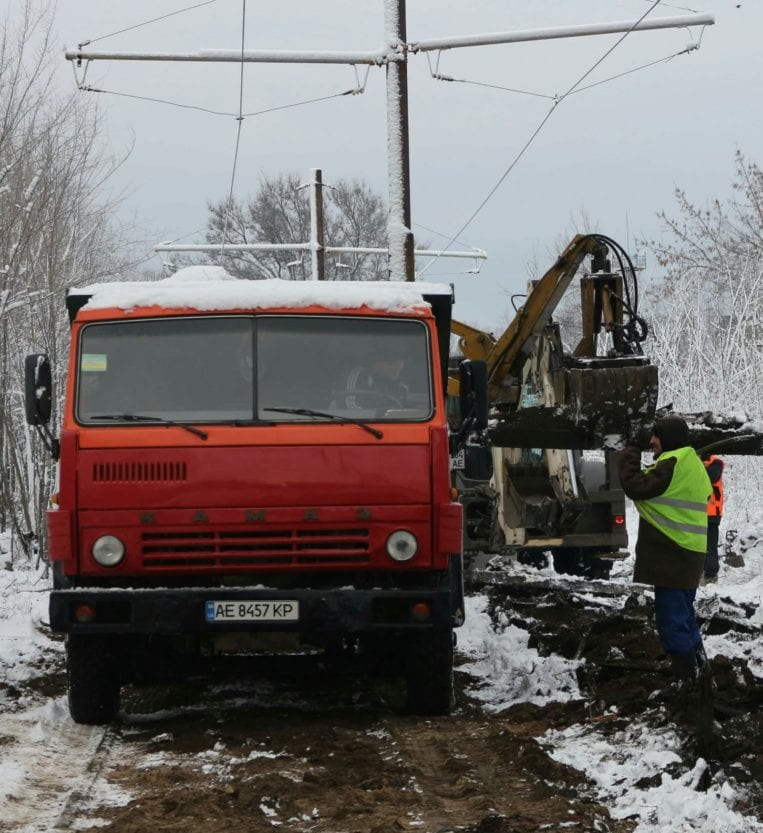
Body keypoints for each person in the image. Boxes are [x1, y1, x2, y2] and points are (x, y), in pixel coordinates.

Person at [618, 416, 713, 682]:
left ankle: (688, 685)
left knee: (672, 624)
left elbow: (635, 485)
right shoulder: (691, 463)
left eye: (656, 436)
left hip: (675, 556)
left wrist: (632, 449)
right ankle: (702, 675)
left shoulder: (674, 463)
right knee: (684, 619)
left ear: (668, 438)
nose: (652, 441)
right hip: (688, 556)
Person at [336, 344, 408, 410]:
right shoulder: (358, 375)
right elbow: (349, 409)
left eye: (399, 364)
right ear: (376, 364)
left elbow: (404, 411)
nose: (396, 369)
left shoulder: (401, 384)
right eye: (390, 364)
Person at [700, 452, 724, 581]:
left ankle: (710, 576)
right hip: (694, 513)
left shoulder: (716, 463)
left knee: (710, 546)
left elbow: (710, 477)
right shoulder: (694, 461)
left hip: (711, 513)